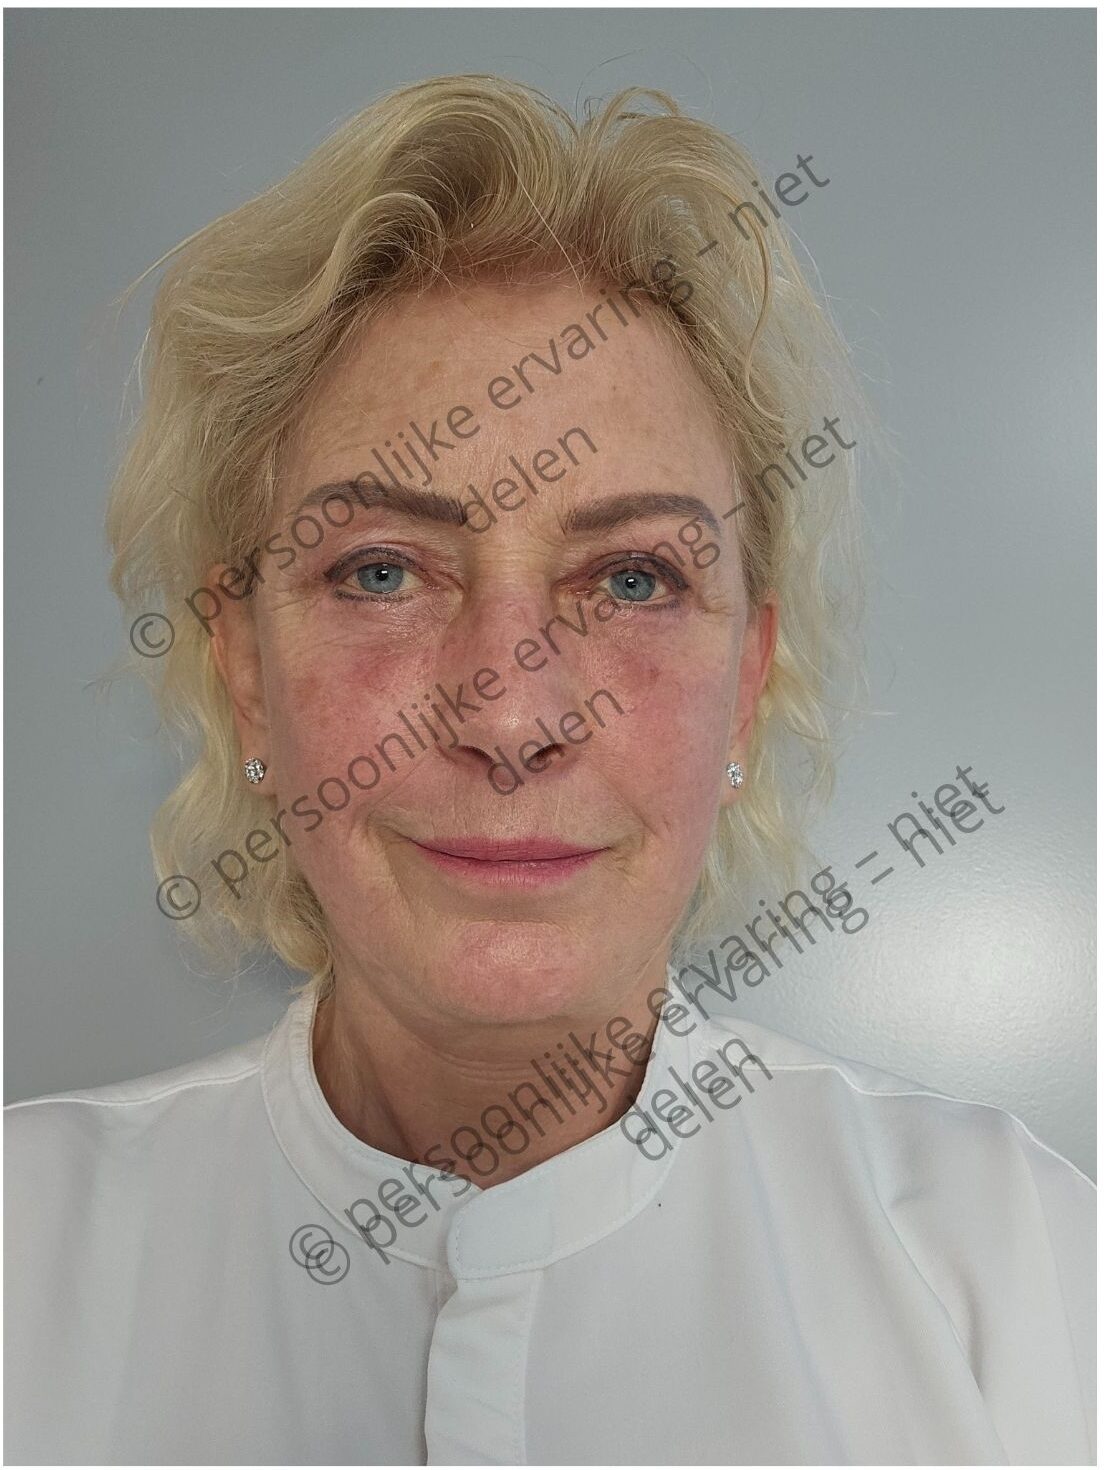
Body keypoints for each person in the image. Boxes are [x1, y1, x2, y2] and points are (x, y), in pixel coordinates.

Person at [5, 75, 1093, 1466]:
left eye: (634, 577)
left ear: (745, 683)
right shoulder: (26, 1254)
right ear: (244, 665)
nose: (511, 713)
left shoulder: (1018, 1268)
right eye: (381, 571)